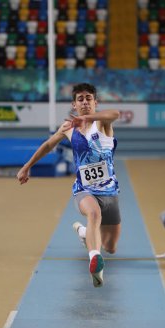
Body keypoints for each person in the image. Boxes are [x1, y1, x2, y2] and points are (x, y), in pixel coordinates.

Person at [17, 83, 121, 287]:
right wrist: (27, 166)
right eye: (80, 99)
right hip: (84, 190)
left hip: (110, 191)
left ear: (95, 102)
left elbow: (115, 113)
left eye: (88, 98)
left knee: (111, 247)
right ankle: (95, 260)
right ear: (74, 104)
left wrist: (87, 118)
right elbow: (48, 145)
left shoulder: (101, 124)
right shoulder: (68, 128)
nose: (84, 102)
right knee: (94, 214)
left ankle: (84, 233)